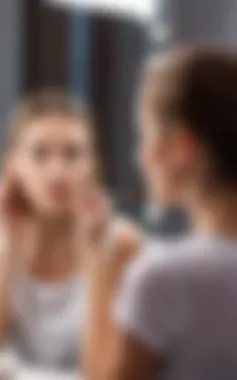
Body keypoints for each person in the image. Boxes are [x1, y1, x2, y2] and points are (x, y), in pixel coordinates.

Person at [0, 91, 141, 377]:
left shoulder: (123, 244)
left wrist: (95, 255)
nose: (57, 172)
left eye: (73, 154)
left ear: (91, 164)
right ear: (12, 166)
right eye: (39, 154)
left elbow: (106, 373)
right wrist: (7, 249)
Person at [108, 47, 237, 380]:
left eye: (145, 136)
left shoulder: (165, 278)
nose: (142, 156)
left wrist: (103, 275)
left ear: (182, 147)